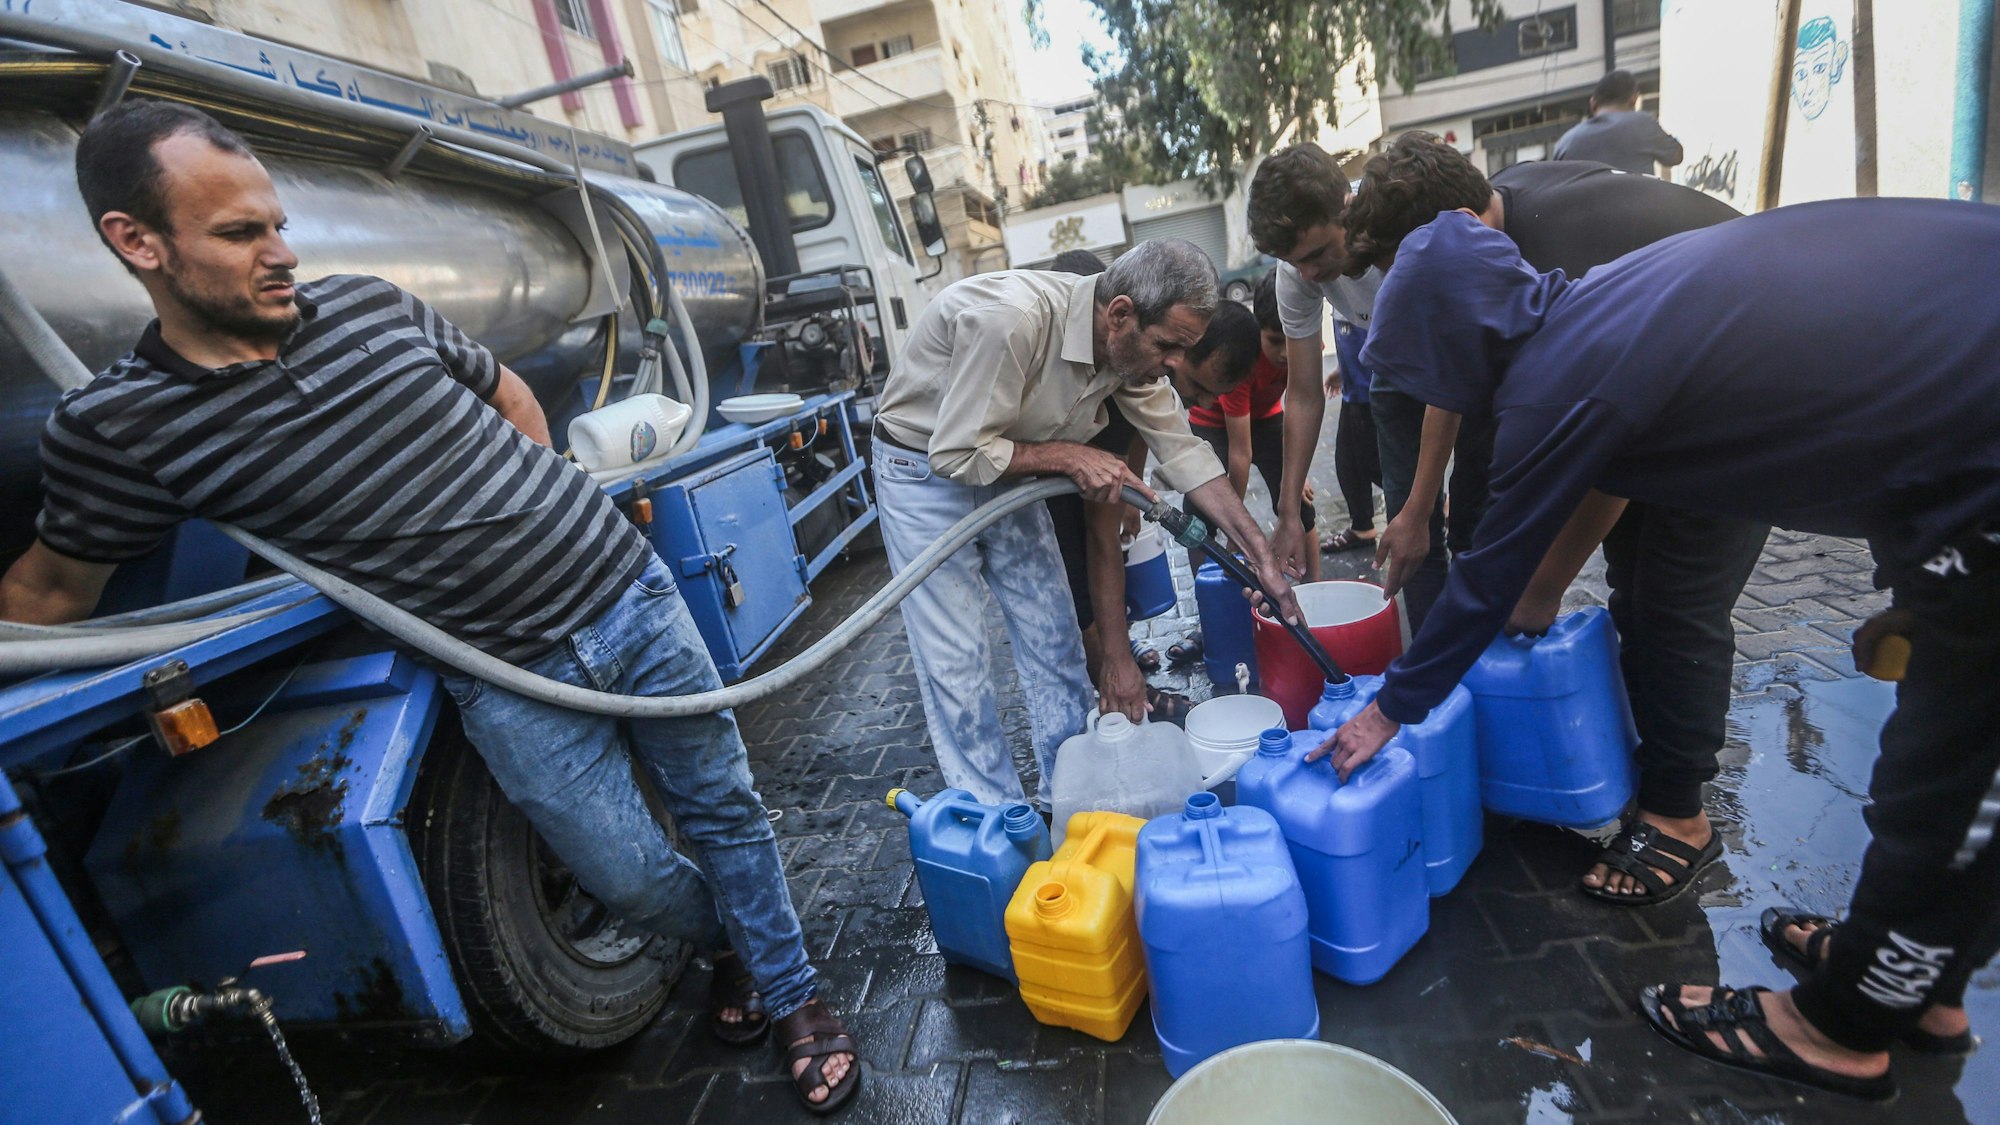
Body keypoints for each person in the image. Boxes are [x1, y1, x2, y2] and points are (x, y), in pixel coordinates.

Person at [0, 101, 858, 1112]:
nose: (282, 254)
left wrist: (538, 517)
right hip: (506, 678)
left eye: (278, 224)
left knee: (723, 809)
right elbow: (48, 593)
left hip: (630, 592)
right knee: (623, 876)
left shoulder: (370, 306)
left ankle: (792, 992)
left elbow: (510, 397)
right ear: (137, 242)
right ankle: (738, 942)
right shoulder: (122, 427)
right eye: (239, 234)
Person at [1318, 200, 2000, 1101]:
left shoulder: (1556, 381)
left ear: (1453, 347)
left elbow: (1488, 581)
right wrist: (1926, 587)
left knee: (1953, 769)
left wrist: (1386, 709)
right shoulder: (1595, 303)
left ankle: (1844, 1023)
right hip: (1963, 404)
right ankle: (1909, 976)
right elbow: (1878, 390)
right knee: (1953, 744)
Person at [1340, 135, 1769, 905]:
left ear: (1458, 230)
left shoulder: (1564, 262)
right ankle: (1640, 761)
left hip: (1745, 380)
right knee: (1631, 584)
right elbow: (1456, 365)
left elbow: (1610, 456)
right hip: (1674, 375)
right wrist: (1417, 507)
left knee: (1673, 599)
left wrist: (1540, 587)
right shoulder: (1500, 223)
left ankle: (1679, 816)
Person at [871, 240, 1299, 812]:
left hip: (1009, 463)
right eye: (1167, 346)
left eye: (1184, 348)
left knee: (1055, 640)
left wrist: (1260, 554)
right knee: (957, 664)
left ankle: (1068, 802)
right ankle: (994, 822)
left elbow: (1185, 453)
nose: (1175, 365)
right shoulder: (1011, 322)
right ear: (1119, 314)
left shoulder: (1130, 354)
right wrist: (1070, 457)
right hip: (923, 469)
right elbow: (956, 453)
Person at [1245, 141, 1489, 628]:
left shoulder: (1402, 229)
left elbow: (1451, 371)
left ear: (1349, 208)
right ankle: (1433, 653)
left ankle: (1488, 639)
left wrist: (1424, 504)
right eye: (1295, 262)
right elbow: (1305, 394)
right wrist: (1289, 511)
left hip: (1470, 357)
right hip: (1397, 368)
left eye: (1317, 253)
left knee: (1473, 517)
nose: (1310, 273)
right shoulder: (1296, 272)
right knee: (1408, 534)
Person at [1552, 69, 1684, 175]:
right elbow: (1675, 156)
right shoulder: (1642, 124)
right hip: (1638, 201)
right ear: (1633, 99)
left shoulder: (1565, 143)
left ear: (1593, 104)